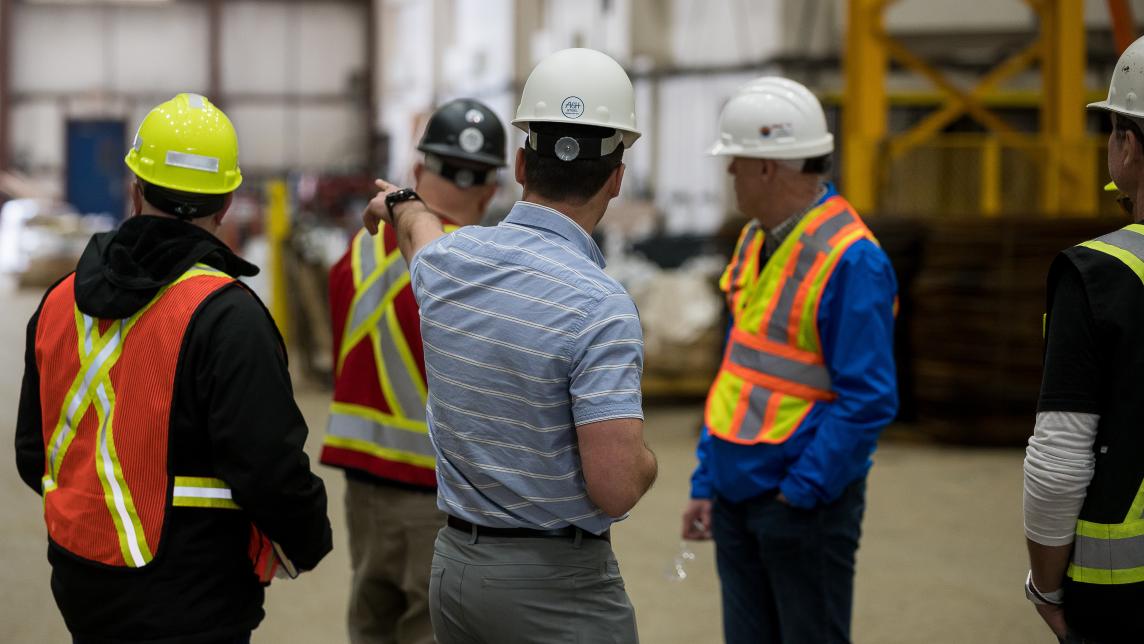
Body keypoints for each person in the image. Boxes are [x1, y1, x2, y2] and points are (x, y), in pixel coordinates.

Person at [361, 47, 658, 643]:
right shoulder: (601, 307)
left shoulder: (448, 264)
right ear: (617, 177)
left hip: (456, 574)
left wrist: (399, 202)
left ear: (521, 164)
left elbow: (420, 232)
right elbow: (615, 484)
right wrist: (648, 464)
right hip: (556, 590)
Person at [14, 93, 332, 644]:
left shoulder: (60, 301)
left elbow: (31, 454)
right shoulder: (227, 315)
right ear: (227, 203)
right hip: (194, 595)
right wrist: (309, 541)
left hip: (80, 579)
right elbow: (268, 469)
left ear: (135, 190)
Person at [680, 77, 898, 644]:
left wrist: (799, 494)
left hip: (802, 508)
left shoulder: (855, 261)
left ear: (767, 168)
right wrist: (707, 480)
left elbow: (869, 401)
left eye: (736, 162)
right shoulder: (756, 240)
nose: (729, 175)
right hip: (737, 497)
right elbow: (740, 373)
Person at [320, 98, 506, 644]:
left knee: (370, 623)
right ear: (491, 189)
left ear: (418, 171)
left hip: (362, 487)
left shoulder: (359, 250)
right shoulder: (475, 269)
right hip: (439, 496)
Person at [1024, 35, 1144, 644]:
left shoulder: (1097, 277)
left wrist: (1045, 586)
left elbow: (1058, 460)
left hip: (1127, 595)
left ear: (1128, 144)